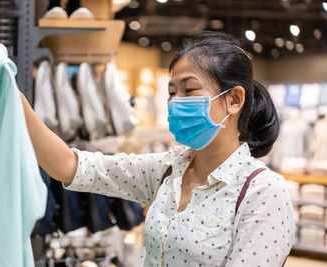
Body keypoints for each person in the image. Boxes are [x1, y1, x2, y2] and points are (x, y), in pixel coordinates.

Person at [21, 31, 294, 266]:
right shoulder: (169, 170)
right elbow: (72, 166)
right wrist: (18, 104)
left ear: (234, 100)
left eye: (189, 90)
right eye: (172, 92)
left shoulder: (263, 193)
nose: (176, 103)